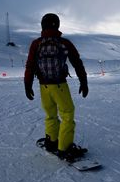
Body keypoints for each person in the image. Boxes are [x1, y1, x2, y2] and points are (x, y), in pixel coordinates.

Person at [24, 13, 89, 161]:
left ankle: (51, 140)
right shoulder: (64, 43)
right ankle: (64, 147)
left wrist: (27, 85)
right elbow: (77, 63)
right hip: (60, 85)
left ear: (42, 25)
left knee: (51, 114)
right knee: (67, 114)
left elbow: (30, 66)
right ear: (58, 25)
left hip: (44, 86)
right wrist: (83, 82)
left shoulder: (36, 44)